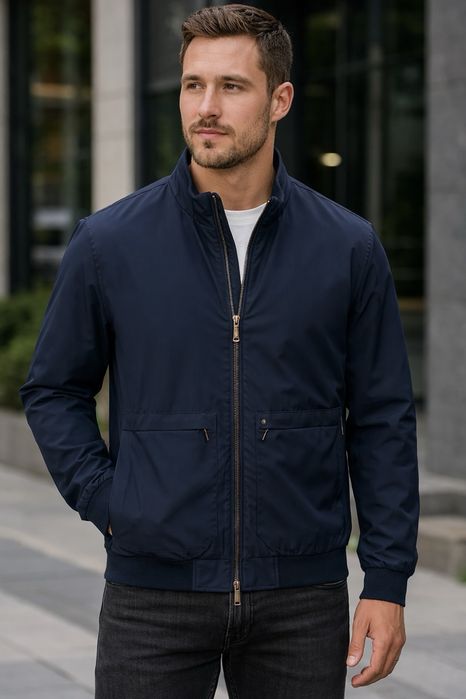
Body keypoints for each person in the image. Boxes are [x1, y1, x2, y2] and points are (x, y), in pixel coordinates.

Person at [20, 4, 419, 698]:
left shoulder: (347, 247)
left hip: (300, 598)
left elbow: (382, 417)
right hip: (153, 597)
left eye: (231, 86)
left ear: (280, 99)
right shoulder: (111, 243)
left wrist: (386, 580)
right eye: (192, 85)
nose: (206, 107)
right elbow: (53, 389)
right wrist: (112, 502)